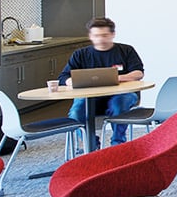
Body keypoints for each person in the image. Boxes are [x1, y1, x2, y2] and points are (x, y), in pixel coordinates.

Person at [59, 16, 144, 145]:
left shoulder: (126, 50)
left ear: (112, 34)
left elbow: (138, 73)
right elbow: (64, 77)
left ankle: (118, 143)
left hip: (122, 94)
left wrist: (117, 78)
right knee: (76, 113)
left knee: (118, 105)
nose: (101, 39)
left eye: (104, 35)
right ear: (90, 36)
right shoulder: (80, 54)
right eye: (96, 36)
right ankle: (91, 144)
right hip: (90, 97)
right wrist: (75, 81)